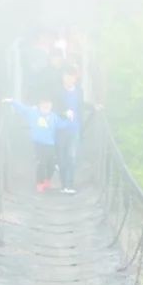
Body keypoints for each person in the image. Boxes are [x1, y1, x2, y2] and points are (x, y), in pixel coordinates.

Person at [2, 96, 74, 192]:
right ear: (40, 106)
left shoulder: (53, 116)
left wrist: (70, 120)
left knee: (52, 164)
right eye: (44, 107)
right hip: (38, 144)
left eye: (48, 107)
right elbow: (22, 108)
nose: (46, 109)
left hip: (50, 144)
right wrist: (12, 101)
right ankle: (39, 183)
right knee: (41, 163)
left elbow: (61, 124)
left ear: (51, 107)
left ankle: (47, 180)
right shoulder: (33, 113)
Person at [55, 66, 84, 194]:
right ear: (63, 77)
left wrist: (94, 106)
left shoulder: (79, 91)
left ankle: (70, 185)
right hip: (61, 129)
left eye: (71, 76)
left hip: (74, 128)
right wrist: (63, 112)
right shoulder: (57, 91)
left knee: (72, 157)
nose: (68, 79)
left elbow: (81, 106)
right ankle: (63, 185)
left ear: (75, 78)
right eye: (66, 76)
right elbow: (53, 109)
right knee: (62, 158)